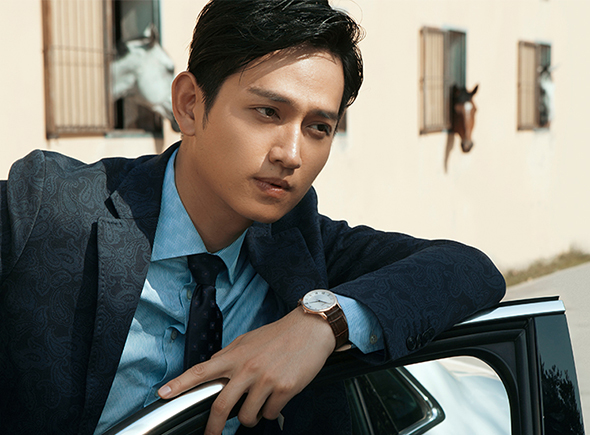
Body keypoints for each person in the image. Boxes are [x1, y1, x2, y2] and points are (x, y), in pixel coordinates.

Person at [0, 1, 506, 434]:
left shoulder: (300, 243)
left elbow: (469, 270)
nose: (291, 154)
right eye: (268, 112)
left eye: (319, 127)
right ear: (190, 105)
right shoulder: (49, 208)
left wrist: (320, 324)